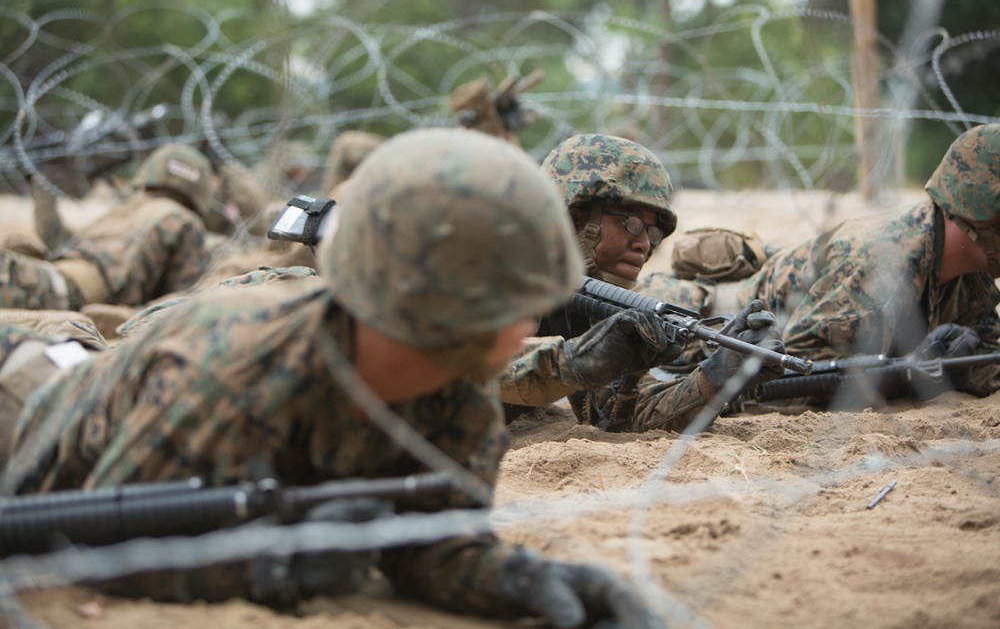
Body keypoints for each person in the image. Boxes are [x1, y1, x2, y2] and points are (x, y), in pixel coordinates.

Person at [1, 128, 665, 628]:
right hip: (34, 417)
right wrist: (277, 566)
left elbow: (433, 547)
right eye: (507, 299)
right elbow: (97, 536)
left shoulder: (456, 392)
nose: (527, 326)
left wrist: (522, 579)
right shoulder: (233, 370)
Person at [500, 133, 786, 432]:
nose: (644, 245)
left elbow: (623, 415)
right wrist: (579, 359)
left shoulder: (586, 298)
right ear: (573, 219)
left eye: (653, 233)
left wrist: (719, 373)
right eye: (632, 224)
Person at [727, 123, 1000, 401]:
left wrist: (959, 367)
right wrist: (905, 377)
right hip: (716, 340)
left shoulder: (972, 276)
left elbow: (989, 360)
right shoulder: (877, 262)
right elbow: (795, 367)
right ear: (981, 208)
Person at [0, 143, 213, 312]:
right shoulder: (185, 222)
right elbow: (184, 299)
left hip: (48, 280)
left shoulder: (126, 209)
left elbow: (55, 238)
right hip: (68, 291)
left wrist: (40, 185)